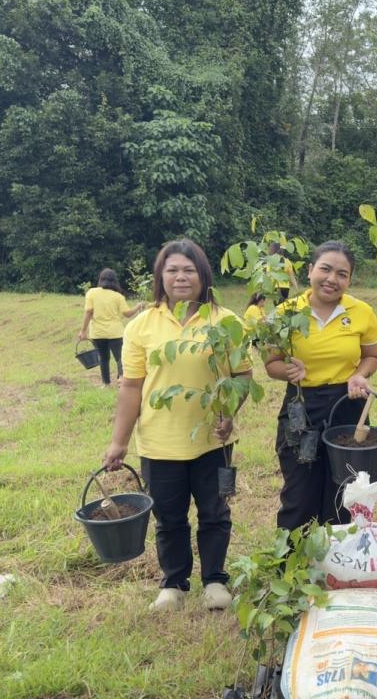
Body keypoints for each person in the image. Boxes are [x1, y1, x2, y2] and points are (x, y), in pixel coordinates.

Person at [101, 239, 252, 612]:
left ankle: (215, 580)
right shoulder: (141, 326)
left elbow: (243, 376)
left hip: (210, 442)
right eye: (172, 270)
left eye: (189, 269)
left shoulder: (225, 321)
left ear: (203, 275)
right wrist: (118, 442)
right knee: (168, 517)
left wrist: (228, 413)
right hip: (158, 441)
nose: (180, 277)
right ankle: (174, 584)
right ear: (160, 276)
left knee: (215, 512)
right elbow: (131, 387)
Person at [265, 241, 377, 529]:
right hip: (301, 407)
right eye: (325, 269)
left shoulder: (362, 312)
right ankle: (292, 564)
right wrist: (290, 371)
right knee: (299, 492)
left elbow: (372, 356)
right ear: (309, 271)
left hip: (347, 405)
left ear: (349, 280)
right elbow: (271, 364)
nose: (332, 279)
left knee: (344, 490)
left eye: (342, 274)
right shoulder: (286, 313)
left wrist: (359, 375)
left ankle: (339, 564)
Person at [77, 268, 144, 387]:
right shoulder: (118, 296)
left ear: (101, 279)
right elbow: (127, 313)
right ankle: (121, 380)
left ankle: (106, 384)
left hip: (98, 333)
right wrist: (138, 306)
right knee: (120, 357)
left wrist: (83, 331)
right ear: (114, 281)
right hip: (115, 332)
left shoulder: (92, 293)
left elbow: (88, 312)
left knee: (103, 358)